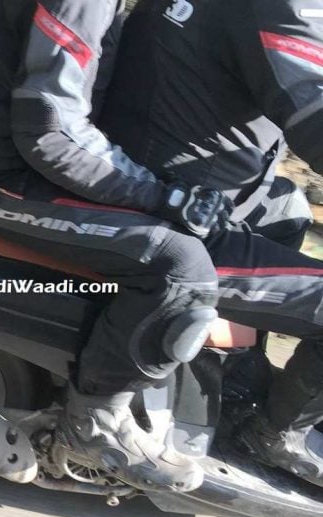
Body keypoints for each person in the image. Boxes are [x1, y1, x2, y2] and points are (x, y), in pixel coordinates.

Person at [0, 0, 240, 493]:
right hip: (2, 180)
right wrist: (161, 195)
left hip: (18, 165)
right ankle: (93, 426)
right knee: (180, 265)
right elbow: (51, 129)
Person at [98, 0, 323, 487]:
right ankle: (276, 436)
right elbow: (314, 111)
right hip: (182, 218)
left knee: (287, 205)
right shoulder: (283, 7)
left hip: (167, 180)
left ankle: (236, 377)